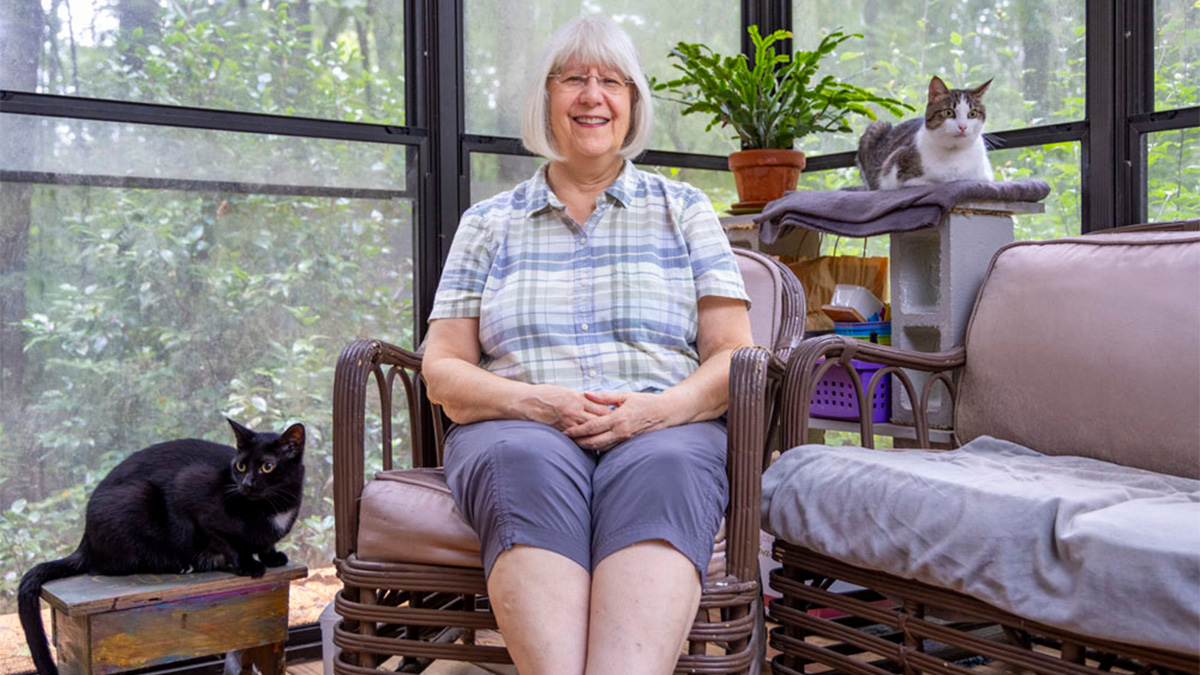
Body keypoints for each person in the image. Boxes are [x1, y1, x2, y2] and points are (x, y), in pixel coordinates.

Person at [421, 14, 753, 675]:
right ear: (547, 99)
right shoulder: (487, 223)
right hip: (518, 430)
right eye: (573, 78)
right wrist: (535, 403)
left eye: (612, 81)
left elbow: (734, 359)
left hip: (662, 428)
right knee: (522, 458)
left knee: (667, 465)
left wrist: (655, 411)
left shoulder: (684, 210)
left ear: (633, 104)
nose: (592, 95)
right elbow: (442, 369)